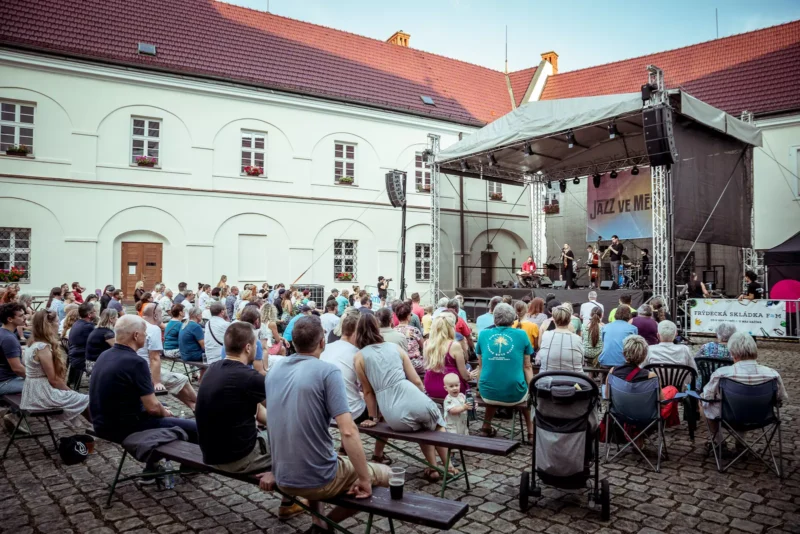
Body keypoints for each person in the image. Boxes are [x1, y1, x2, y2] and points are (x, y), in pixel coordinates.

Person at [262, 315, 390, 528]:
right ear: (322, 342)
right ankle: (329, 523)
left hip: (283, 474)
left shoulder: (274, 370)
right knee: (386, 475)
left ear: (293, 342)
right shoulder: (327, 372)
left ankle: (318, 524)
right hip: (318, 476)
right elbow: (348, 432)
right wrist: (364, 479)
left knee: (321, 453)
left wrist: (277, 469)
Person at [354, 314, 452, 482]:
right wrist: (422, 395)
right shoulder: (395, 348)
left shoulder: (360, 357)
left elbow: (368, 392)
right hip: (411, 393)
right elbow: (415, 380)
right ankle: (447, 465)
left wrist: (373, 417)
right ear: (377, 328)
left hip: (392, 411)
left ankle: (434, 469)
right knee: (435, 423)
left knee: (423, 428)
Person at [89, 315, 198, 453]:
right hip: (124, 427)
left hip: (102, 423)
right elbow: (152, 408)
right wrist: (164, 413)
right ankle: (189, 463)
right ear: (136, 335)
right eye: (144, 332)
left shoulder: (105, 355)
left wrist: (162, 409)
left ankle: (154, 464)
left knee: (163, 407)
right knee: (195, 428)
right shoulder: (136, 362)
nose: (146, 336)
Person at [196, 322, 271, 471]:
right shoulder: (250, 378)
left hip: (211, 454)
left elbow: (261, 412)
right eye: (256, 344)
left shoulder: (212, 369)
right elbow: (281, 410)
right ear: (248, 348)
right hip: (239, 458)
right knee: (298, 441)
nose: (257, 348)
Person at [321, 310, 388, 462]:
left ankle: (344, 448)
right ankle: (378, 454)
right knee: (387, 412)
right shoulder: (358, 353)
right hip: (350, 412)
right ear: (356, 332)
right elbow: (369, 389)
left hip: (324, 411)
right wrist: (373, 416)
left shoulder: (327, 348)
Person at [701, 332, 788, 448]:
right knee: (745, 404)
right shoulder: (772, 374)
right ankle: (740, 442)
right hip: (761, 417)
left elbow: (707, 398)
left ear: (732, 353)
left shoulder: (721, 374)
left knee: (703, 403)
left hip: (729, 417)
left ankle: (719, 441)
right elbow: (780, 399)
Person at [474, 303, 534, 440]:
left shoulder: (483, 334)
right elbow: (527, 366)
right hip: (514, 394)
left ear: (494, 319)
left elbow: (481, 366)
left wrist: (478, 386)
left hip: (487, 391)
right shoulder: (521, 334)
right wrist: (532, 389)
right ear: (513, 319)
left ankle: (486, 426)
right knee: (525, 390)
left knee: (493, 381)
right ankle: (531, 432)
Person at [22, 310, 91, 422]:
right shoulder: (42, 347)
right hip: (41, 393)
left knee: (81, 399)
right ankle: (99, 428)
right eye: (57, 321)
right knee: (85, 399)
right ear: (49, 325)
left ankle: (98, 427)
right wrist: (70, 391)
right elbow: (53, 380)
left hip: (32, 390)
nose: (59, 324)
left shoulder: (32, 343)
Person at [140, 303, 197, 411]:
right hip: (147, 370)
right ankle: (204, 405)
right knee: (183, 379)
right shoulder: (153, 328)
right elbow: (155, 358)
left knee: (175, 383)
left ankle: (193, 406)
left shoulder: (138, 324)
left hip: (138, 367)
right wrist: (156, 382)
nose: (163, 316)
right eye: (161, 313)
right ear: (155, 315)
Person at [423, 315, 471, 399]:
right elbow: (464, 375)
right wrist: (469, 376)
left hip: (430, 385)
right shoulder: (454, 345)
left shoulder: (427, 343)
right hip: (451, 387)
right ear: (451, 328)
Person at [536, 305, 584, 373]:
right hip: (574, 380)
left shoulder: (545, 335)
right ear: (570, 320)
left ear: (554, 320)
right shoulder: (578, 339)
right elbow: (581, 361)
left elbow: (540, 347)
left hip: (547, 379)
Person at [66, 302, 96, 388]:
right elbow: (96, 343)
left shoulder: (77, 323)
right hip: (82, 360)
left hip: (74, 357)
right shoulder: (88, 326)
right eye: (94, 312)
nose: (96, 313)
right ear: (89, 314)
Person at [0, 303, 26, 396]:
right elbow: (17, 369)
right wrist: (35, 378)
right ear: (10, 319)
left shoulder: (3, 332)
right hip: (4, 382)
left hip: (6, 378)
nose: (25, 317)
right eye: (21, 316)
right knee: (44, 385)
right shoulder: (8, 338)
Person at [393, 302, 424, 373]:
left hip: (400, 364)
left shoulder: (394, 331)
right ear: (408, 316)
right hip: (415, 364)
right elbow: (423, 345)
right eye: (411, 314)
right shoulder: (414, 330)